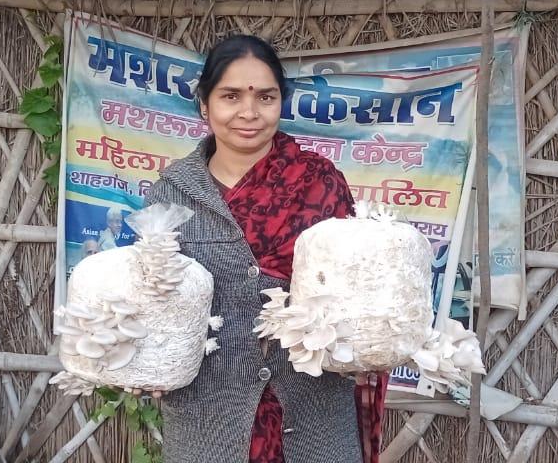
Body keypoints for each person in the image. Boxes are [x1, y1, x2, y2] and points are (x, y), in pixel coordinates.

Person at [144, 35, 387, 463]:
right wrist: (145, 359)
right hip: (209, 422)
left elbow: (357, 293)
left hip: (314, 415)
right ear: (204, 104)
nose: (249, 112)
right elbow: (154, 301)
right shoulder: (172, 194)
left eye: (265, 97)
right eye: (231, 96)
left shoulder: (319, 182)